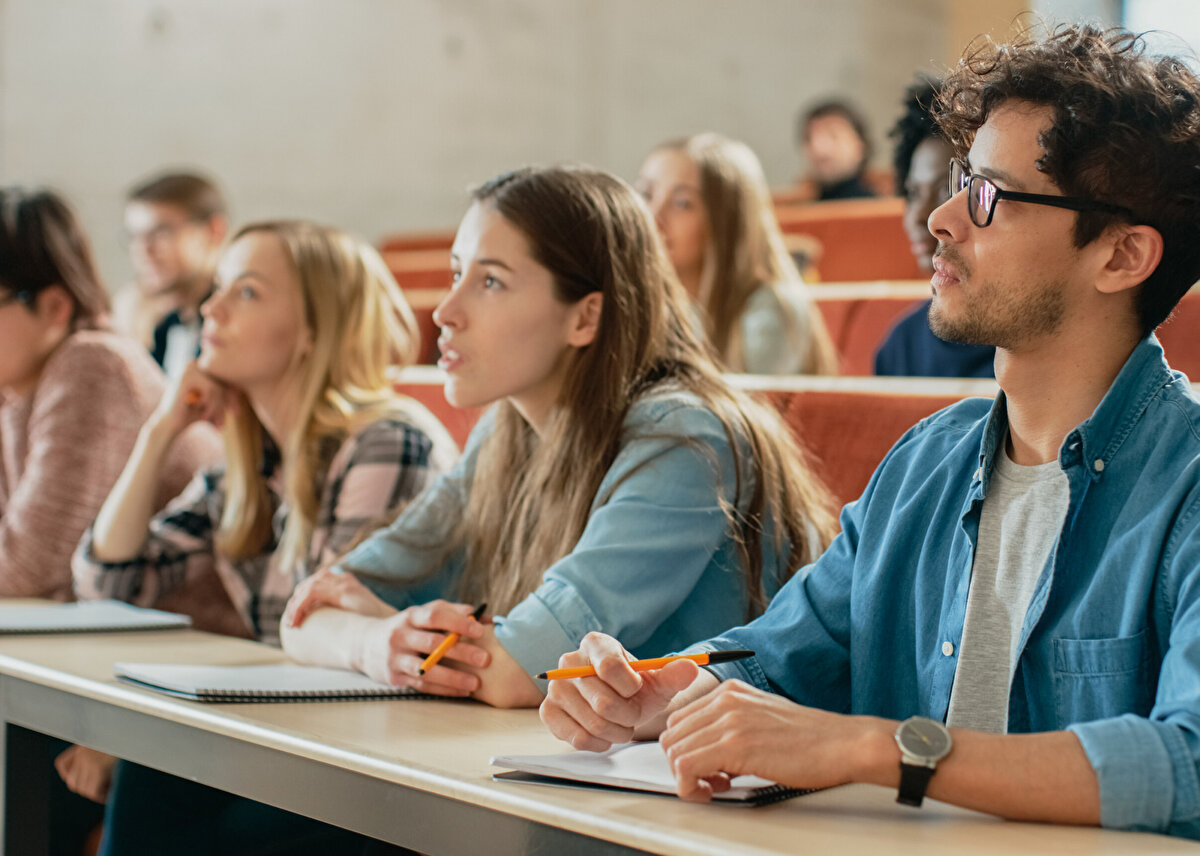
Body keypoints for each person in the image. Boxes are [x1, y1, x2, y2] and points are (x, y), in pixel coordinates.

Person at [540, 25, 1200, 840]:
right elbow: (782, 654)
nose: (942, 219)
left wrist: (881, 749)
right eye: (960, 182)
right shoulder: (926, 460)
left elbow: (1189, 762)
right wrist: (658, 693)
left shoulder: (1189, 481)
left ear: (1123, 254)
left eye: (988, 195)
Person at [281, 165, 839, 711]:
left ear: (585, 317)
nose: (447, 312)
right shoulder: (506, 431)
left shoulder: (686, 441)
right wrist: (375, 642)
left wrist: (383, 634)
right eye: (456, 274)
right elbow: (307, 611)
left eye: (491, 281)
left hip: (713, 787)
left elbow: (519, 674)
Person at [73, 220, 459, 855]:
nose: (210, 309)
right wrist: (162, 431)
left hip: (379, 759)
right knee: (148, 771)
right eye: (219, 287)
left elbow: (317, 623)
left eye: (246, 293)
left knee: (154, 778)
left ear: (313, 328)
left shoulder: (389, 442)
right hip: (292, 740)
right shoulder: (251, 464)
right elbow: (106, 578)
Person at [0, 186, 224, 856]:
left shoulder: (89, 366)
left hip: (190, 679)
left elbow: (27, 566)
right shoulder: (19, 384)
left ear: (54, 306)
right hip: (107, 671)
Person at [635, 133, 838, 375]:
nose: (652, 216)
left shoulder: (771, 316)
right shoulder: (654, 306)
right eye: (646, 194)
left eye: (682, 203)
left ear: (726, 223)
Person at [874, 77, 996, 378]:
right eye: (913, 193)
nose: (921, 216)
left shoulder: (1023, 345)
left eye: (946, 189)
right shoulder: (901, 344)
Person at [116, 171, 228, 380]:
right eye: (134, 237)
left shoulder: (234, 329)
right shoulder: (164, 326)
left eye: (160, 232)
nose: (143, 250)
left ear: (214, 231)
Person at [797, 99, 877, 201]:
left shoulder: (879, 209)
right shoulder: (801, 211)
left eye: (833, 136)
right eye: (809, 138)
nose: (818, 148)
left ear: (860, 146)